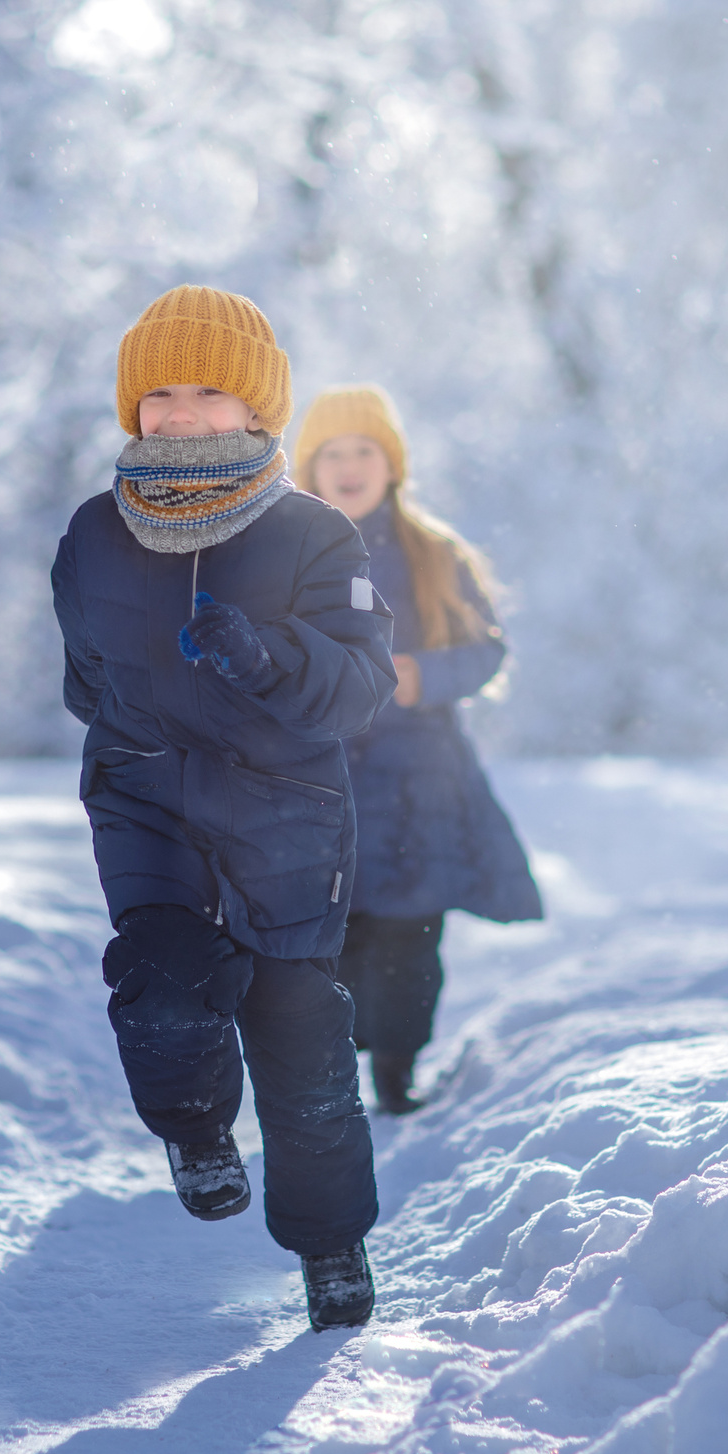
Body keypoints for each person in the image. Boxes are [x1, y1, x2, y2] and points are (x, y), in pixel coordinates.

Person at [50, 287, 398, 1331]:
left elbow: (360, 685)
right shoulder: (92, 533)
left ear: (255, 410)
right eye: (160, 392)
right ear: (132, 407)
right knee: (158, 990)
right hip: (147, 803)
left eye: (209, 391)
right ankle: (196, 1129)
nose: (182, 412)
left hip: (284, 818)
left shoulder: (313, 535)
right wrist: (141, 738)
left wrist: (266, 656)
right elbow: (83, 679)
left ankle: (331, 1245)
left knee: (302, 1054)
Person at [293, 385, 542, 1115]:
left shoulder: (434, 553)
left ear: (391, 463)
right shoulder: (289, 552)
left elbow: (486, 649)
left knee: (409, 933)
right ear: (308, 466)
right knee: (332, 934)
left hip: (420, 780)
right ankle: (325, 1073)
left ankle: (397, 1072)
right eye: (331, 452)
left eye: (363, 450)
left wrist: (423, 675)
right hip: (322, 776)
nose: (348, 465)